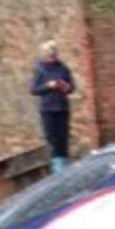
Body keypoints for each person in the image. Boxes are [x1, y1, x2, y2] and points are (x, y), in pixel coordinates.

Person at [29, 40, 75, 173]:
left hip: (62, 108)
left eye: (54, 56)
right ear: (44, 56)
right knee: (52, 140)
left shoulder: (63, 68)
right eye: (49, 56)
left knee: (63, 138)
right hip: (47, 110)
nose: (52, 58)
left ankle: (65, 168)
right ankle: (58, 171)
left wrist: (65, 86)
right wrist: (48, 86)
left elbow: (72, 88)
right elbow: (33, 90)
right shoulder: (39, 69)